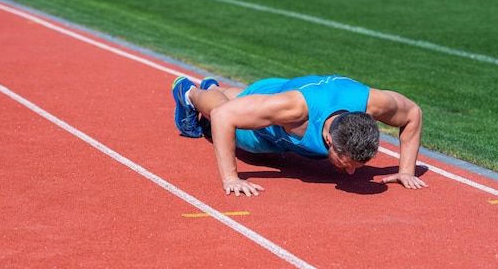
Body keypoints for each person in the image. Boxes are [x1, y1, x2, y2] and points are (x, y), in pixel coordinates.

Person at [172, 74, 428, 196]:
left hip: (286, 94)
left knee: (237, 101)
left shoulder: (374, 103)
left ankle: (212, 87)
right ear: (329, 140)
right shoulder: (293, 109)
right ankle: (190, 94)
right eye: (348, 164)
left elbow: (413, 113)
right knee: (221, 111)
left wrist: (406, 170)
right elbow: (224, 117)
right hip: (265, 127)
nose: (352, 173)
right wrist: (230, 178)